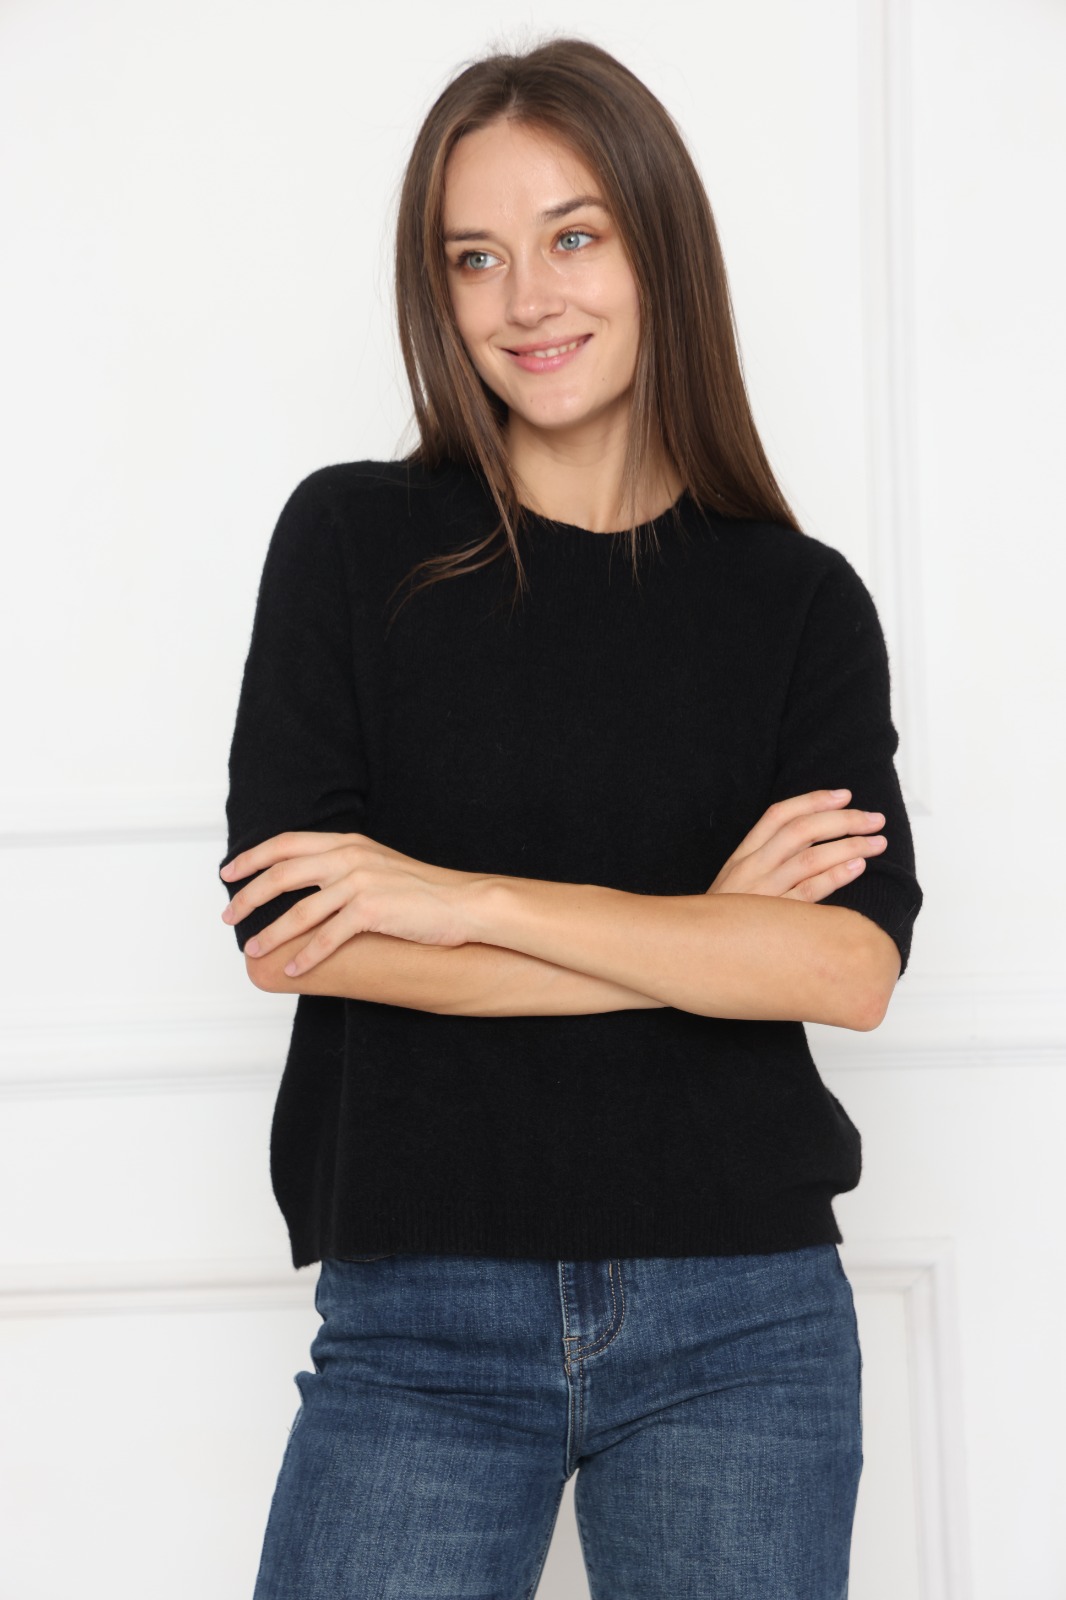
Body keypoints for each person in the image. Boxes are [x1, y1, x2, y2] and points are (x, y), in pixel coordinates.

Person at [218, 35, 922, 1600]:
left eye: (572, 237)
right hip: (420, 1320)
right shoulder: (351, 541)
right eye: (473, 257)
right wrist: (704, 936)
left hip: (742, 1318)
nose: (524, 299)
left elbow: (845, 971)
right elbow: (294, 939)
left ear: (658, 247)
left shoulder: (794, 601)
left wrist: (461, 900)